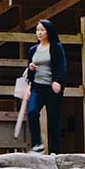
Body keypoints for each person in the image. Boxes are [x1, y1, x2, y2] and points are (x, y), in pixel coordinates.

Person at [25, 19, 67, 154]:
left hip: (52, 88)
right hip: (37, 87)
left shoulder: (56, 47)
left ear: (49, 31)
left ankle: (54, 151)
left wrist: (58, 81)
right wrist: (30, 70)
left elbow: (62, 65)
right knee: (32, 112)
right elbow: (29, 68)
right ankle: (37, 144)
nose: (39, 33)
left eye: (42, 30)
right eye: (37, 30)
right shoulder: (33, 50)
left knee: (53, 119)